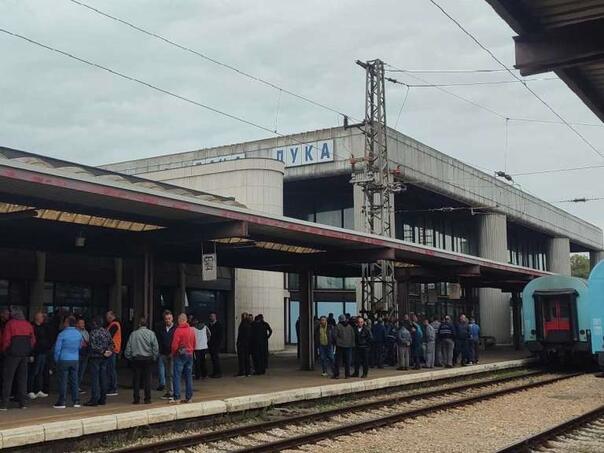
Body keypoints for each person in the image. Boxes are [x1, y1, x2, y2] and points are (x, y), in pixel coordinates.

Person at [1, 308, 35, 410]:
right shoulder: (28, 324)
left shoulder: (10, 324)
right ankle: (23, 403)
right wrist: (28, 350)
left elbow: (6, 339)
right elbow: (33, 340)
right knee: (22, 379)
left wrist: (5, 350)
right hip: (24, 354)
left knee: (8, 379)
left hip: (12, 354)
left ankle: (4, 404)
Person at [124, 317, 159, 404]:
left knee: (136, 379)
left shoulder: (133, 334)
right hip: (148, 359)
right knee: (147, 379)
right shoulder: (151, 334)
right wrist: (154, 357)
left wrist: (129, 357)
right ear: (146, 324)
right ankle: (147, 398)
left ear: (139, 324)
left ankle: (136, 399)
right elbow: (155, 347)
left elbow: (128, 348)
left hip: (136, 359)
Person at [53, 315, 83, 409]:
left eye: (65, 322)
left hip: (64, 359)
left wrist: (56, 359)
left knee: (63, 381)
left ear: (67, 323)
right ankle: (76, 400)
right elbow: (80, 346)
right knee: (74, 380)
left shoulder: (62, 334)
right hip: (75, 359)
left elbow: (57, 349)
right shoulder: (78, 333)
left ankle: (62, 401)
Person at [84, 316, 113, 407]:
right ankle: (103, 398)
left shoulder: (93, 332)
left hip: (95, 357)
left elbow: (93, 346)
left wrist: (102, 351)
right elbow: (111, 343)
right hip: (105, 358)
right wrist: (108, 351)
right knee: (103, 377)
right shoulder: (106, 332)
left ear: (95, 323)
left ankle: (94, 399)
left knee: (95, 379)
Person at [170, 313, 195, 404]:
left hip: (180, 354)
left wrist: (173, 353)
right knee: (188, 376)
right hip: (190, 354)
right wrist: (191, 350)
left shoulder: (178, 330)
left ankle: (177, 398)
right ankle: (189, 397)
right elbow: (194, 342)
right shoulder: (191, 330)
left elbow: (174, 345)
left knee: (177, 376)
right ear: (186, 320)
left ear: (179, 320)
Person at [28, 311, 50, 400]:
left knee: (40, 372)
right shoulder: (32, 327)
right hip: (36, 352)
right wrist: (31, 353)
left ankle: (38, 389)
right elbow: (31, 341)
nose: (43, 318)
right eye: (41, 317)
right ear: (37, 318)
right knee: (33, 372)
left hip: (43, 352)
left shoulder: (43, 327)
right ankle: (30, 390)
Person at [156, 310, 176, 399]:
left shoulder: (176, 328)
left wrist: (173, 352)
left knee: (171, 374)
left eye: (169, 318)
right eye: (166, 319)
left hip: (172, 354)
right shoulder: (161, 328)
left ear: (172, 318)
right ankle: (168, 391)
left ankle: (172, 392)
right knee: (165, 373)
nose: (168, 320)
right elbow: (159, 340)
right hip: (163, 353)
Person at [105, 310, 122, 396]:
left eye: (107, 316)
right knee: (110, 369)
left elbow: (108, 336)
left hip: (112, 349)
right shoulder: (114, 324)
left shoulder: (114, 325)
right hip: (113, 349)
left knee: (110, 369)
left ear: (111, 316)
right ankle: (112, 387)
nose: (106, 318)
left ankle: (113, 388)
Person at [332, 315, 354, 379]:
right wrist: (352, 344)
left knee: (338, 361)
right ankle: (347, 375)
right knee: (347, 361)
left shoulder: (337, 326)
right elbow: (353, 336)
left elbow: (334, 335)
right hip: (348, 346)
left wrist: (337, 342)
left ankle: (336, 374)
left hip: (340, 346)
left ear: (339, 319)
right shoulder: (350, 327)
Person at [236, 312, 252, 377]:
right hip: (247, 344)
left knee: (242, 359)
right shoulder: (249, 324)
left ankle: (242, 372)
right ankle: (248, 372)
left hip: (242, 344)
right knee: (247, 358)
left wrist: (238, 343)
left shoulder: (243, 324)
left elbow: (241, 335)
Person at [207, 312, 223, 378]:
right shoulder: (209, 325)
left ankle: (218, 373)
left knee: (216, 359)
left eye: (212, 316)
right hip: (211, 345)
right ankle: (214, 372)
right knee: (213, 359)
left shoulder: (219, 325)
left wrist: (218, 344)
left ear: (215, 317)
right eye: (210, 316)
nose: (211, 317)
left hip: (216, 345)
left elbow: (220, 336)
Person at [77, 317, 90, 392]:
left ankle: (77, 385)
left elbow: (88, 341)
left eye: (83, 323)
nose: (82, 324)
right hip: (78, 352)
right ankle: (75, 386)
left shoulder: (86, 332)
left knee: (82, 371)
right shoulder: (75, 332)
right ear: (77, 324)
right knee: (77, 370)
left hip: (85, 353)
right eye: (81, 323)